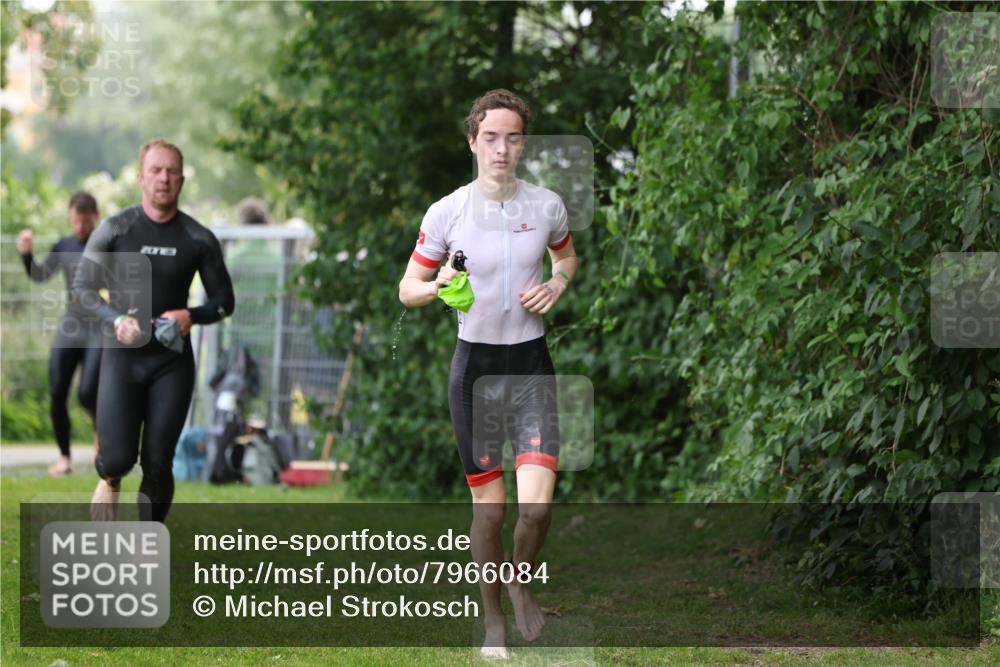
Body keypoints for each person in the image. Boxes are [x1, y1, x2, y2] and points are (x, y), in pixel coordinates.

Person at [398, 89, 578, 659]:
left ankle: (520, 578)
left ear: (523, 145)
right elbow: (406, 289)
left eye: (513, 137)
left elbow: (566, 256)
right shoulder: (447, 212)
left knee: (537, 509)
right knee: (491, 511)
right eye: (491, 137)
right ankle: (493, 621)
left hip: (530, 369)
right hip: (475, 375)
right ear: (473, 142)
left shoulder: (546, 205)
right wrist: (437, 287)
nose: (502, 148)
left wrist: (558, 282)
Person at [74, 139, 235, 522]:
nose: (164, 178)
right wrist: (116, 319)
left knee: (159, 463)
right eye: (156, 170)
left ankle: (148, 542)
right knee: (117, 458)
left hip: (171, 361)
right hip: (123, 358)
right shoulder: (116, 229)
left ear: (182, 180)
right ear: (141, 178)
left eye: (172, 171)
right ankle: (110, 478)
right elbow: (82, 289)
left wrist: (191, 315)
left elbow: (225, 301)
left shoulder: (198, 238)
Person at [17, 192, 103, 476]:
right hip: (72, 325)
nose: (80, 227)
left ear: (96, 217)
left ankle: (100, 435)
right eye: (76, 222)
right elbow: (39, 274)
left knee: (88, 393)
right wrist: (26, 254)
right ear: (70, 217)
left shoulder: (108, 246)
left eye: (86, 222)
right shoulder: (64, 245)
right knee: (57, 391)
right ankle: (65, 458)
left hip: (99, 329)